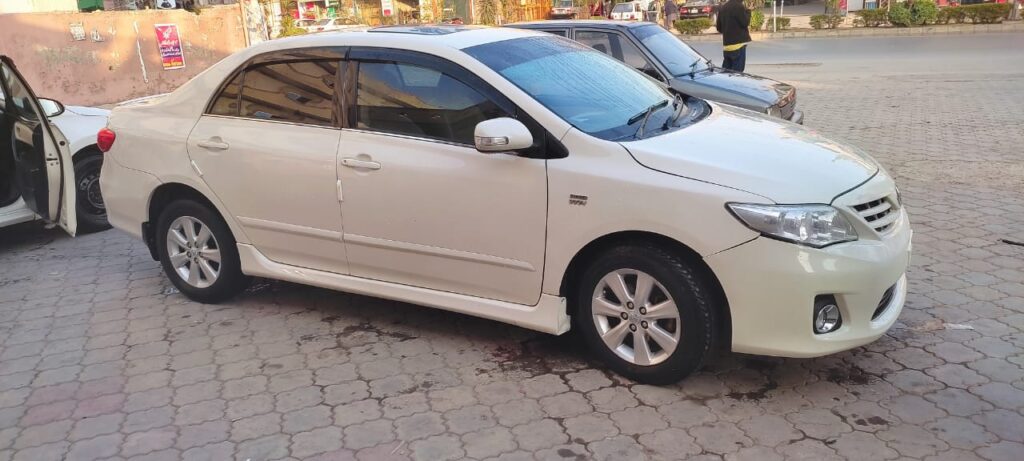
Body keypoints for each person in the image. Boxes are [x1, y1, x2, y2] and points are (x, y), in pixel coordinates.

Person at [715, 0, 751, 72]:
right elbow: (745, 22)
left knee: (726, 74)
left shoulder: (723, 7)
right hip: (738, 45)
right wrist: (748, 11)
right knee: (737, 75)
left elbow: (719, 28)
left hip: (727, 46)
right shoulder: (739, 6)